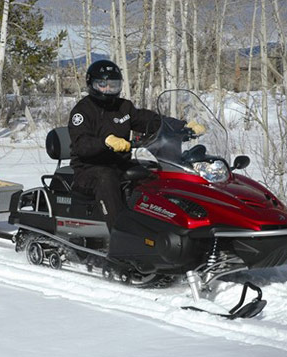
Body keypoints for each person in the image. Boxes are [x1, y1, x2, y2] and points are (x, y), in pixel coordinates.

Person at [68, 59, 204, 231]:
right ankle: (120, 235)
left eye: (113, 85)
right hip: (89, 169)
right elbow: (81, 144)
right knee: (106, 178)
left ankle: (164, 225)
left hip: (120, 164)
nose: (108, 89)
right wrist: (105, 142)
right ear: (92, 84)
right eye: (102, 85)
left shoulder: (124, 107)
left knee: (153, 173)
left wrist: (182, 126)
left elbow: (150, 120)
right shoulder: (83, 111)